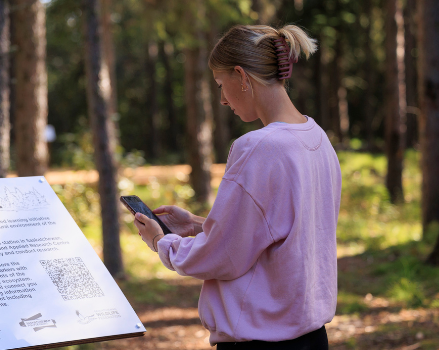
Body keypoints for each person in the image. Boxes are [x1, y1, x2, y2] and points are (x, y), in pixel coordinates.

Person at [133, 24, 341, 349]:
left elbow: (223, 255)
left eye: (220, 84)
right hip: (311, 338)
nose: (222, 100)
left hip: (262, 341)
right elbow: (283, 232)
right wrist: (195, 225)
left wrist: (162, 242)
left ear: (241, 76)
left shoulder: (259, 147)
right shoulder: (316, 138)